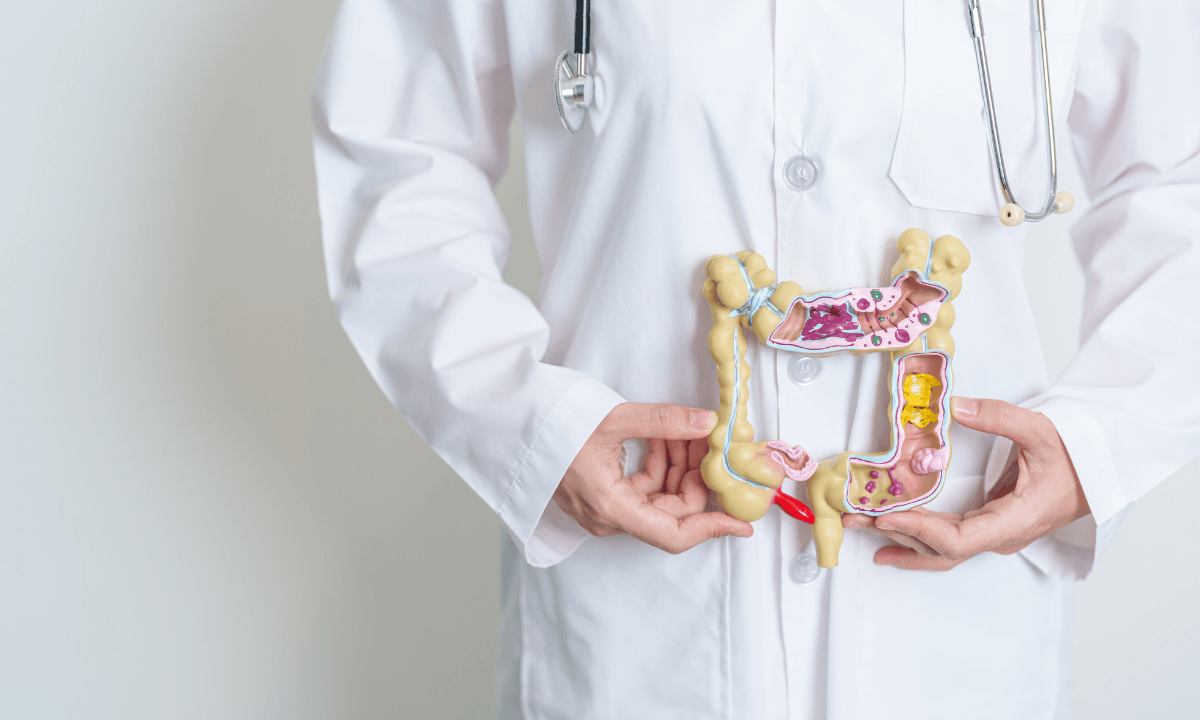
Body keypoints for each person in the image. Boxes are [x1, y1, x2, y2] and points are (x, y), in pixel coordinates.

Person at [311, 1, 1200, 717]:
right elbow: (396, 158)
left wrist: (1096, 449)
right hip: (640, 618)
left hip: (952, 628)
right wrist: (530, 428)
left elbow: (1179, 175)